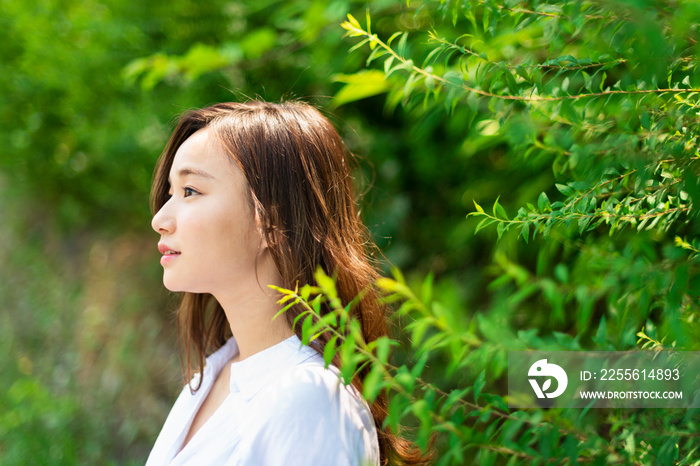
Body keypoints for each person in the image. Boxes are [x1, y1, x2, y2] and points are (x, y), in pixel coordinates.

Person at [145, 100, 432, 465]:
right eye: (171, 193)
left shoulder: (312, 400)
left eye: (190, 191)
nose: (160, 218)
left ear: (273, 222)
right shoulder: (216, 375)